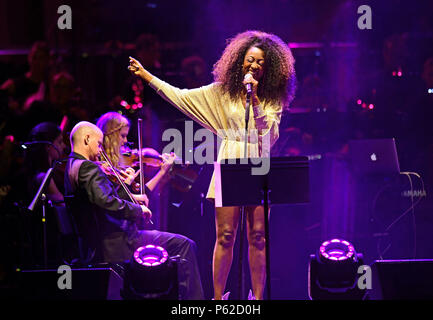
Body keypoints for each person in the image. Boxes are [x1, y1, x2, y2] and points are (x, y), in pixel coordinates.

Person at [128, 30, 296, 299]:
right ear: (240, 60)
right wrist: (147, 76)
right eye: (250, 59)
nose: (253, 65)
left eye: (260, 62)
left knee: (258, 236)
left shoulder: (270, 98)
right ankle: (219, 298)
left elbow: (269, 135)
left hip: (258, 163)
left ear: (269, 68)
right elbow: (180, 97)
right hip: (229, 161)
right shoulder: (222, 93)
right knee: (226, 234)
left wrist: (254, 99)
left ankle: (258, 297)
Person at [64, 121, 204, 299]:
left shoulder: (72, 165)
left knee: (177, 244)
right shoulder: (86, 167)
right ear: (86, 139)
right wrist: (138, 210)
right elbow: (105, 201)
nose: (100, 150)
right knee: (184, 245)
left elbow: (105, 198)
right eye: (98, 144)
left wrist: (128, 187)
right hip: (117, 241)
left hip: (107, 239)